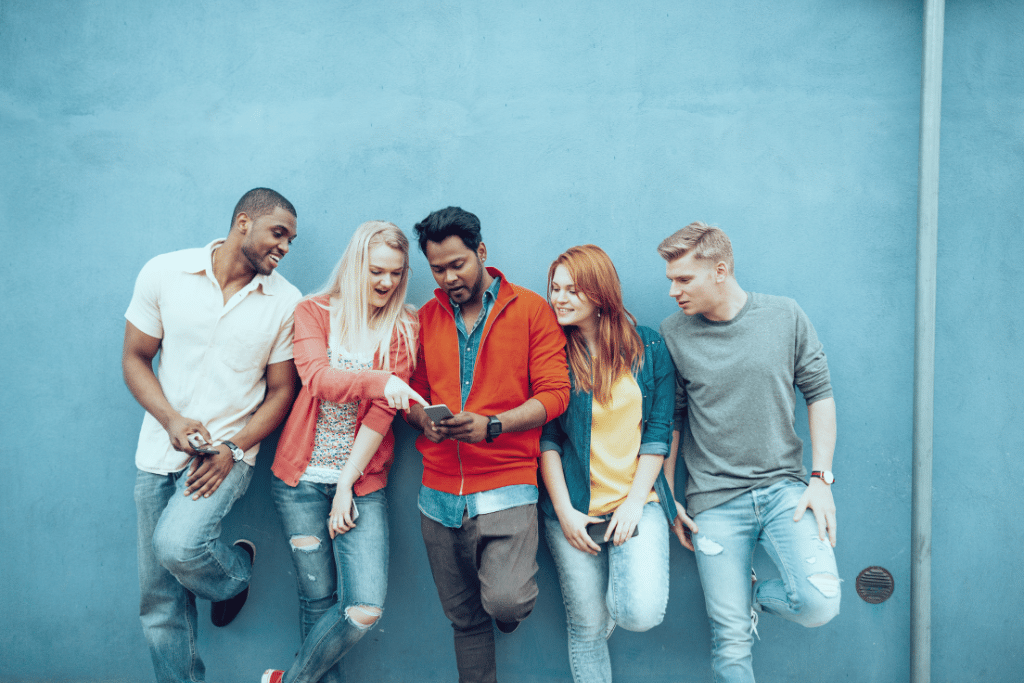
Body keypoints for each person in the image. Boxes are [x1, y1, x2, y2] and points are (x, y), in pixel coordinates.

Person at [123, 188, 302, 683]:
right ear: (243, 222)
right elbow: (135, 357)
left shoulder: (286, 302)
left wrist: (233, 448)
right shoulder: (165, 272)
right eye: (278, 233)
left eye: (291, 240)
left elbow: (282, 391)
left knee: (178, 547)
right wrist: (172, 420)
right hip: (158, 450)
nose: (285, 247)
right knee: (159, 601)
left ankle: (233, 576)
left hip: (227, 456)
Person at [657, 222, 840, 683]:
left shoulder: (785, 315)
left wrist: (821, 479)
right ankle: (739, 609)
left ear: (720, 271)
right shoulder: (674, 333)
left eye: (683, 279)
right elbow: (673, 418)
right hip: (713, 504)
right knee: (730, 636)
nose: (673, 291)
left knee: (819, 602)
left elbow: (819, 393)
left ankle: (753, 598)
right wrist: (669, 494)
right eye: (670, 280)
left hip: (785, 491)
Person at [404, 206, 571, 683]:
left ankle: (506, 610)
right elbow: (411, 394)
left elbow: (555, 394)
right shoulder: (428, 318)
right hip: (437, 495)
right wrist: (423, 420)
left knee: (505, 600)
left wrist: (493, 425)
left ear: (481, 253)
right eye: (438, 269)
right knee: (464, 621)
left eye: (458, 264)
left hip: (507, 484)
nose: (449, 277)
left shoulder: (531, 310)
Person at [261, 221, 424, 683]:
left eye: (396, 273)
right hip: (298, 483)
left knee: (364, 607)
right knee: (317, 601)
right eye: (376, 271)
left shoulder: (403, 327)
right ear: (355, 266)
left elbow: (380, 414)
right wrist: (383, 381)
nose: (386, 283)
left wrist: (346, 485)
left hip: (361, 484)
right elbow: (317, 379)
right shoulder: (313, 312)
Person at [539, 245, 677, 683]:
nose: (559, 298)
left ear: (599, 294)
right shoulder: (553, 354)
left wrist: (636, 503)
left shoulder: (648, 345)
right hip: (574, 509)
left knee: (640, 613)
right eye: (555, 289)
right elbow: (548, 439)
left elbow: (659, 431)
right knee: (586, 627)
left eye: (572, 290)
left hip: (637, 501)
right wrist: (564, 513)